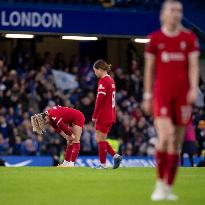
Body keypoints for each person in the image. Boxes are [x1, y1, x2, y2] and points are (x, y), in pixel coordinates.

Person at [143, 0, 199, 201]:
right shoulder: (155, 39)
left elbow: (193, 66)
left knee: (176, 143)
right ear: (163, 14)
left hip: (183, 96)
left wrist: (194, 88)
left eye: (179, 11)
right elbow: (149, 70)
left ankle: (168, 186)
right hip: (162, 95)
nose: (176, 14)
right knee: (165, 136)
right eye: (172, 10)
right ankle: (159, 185)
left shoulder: (189, 38)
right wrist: (147, 95)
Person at [92, 59, 122, 169]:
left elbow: (100, 100)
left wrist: (95, 115)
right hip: (110, 114)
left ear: (100, 70)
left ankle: (102, 164)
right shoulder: (111, 80)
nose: (95, 73)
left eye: (95, 71)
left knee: (100, 139)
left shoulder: (103, 81)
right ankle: (115, 156)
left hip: (103, 115)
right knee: (101, 139)